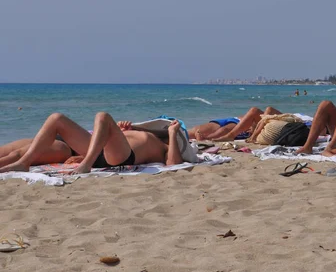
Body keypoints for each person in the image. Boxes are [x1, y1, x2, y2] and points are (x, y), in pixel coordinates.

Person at [0, 112, 184, 174]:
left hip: (119, 157)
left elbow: (172, 164)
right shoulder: (146, 133)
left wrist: (173, 133)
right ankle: (24, 163)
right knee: (56, 118)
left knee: (102, 116)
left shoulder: (166, 146)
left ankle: (86, 164)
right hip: (101, 150)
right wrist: (124, 129)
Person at [211, 106, 283, 142]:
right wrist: (253, 125)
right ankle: (230, 136)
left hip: (288, 126)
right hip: (278, 124)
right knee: (254, 110)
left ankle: (254, 136)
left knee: (269, 109)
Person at [0, 137, 75, 169]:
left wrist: (82, 157)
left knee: (17, 155)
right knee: (5, 151)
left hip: (65, 147)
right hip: (50, 138)